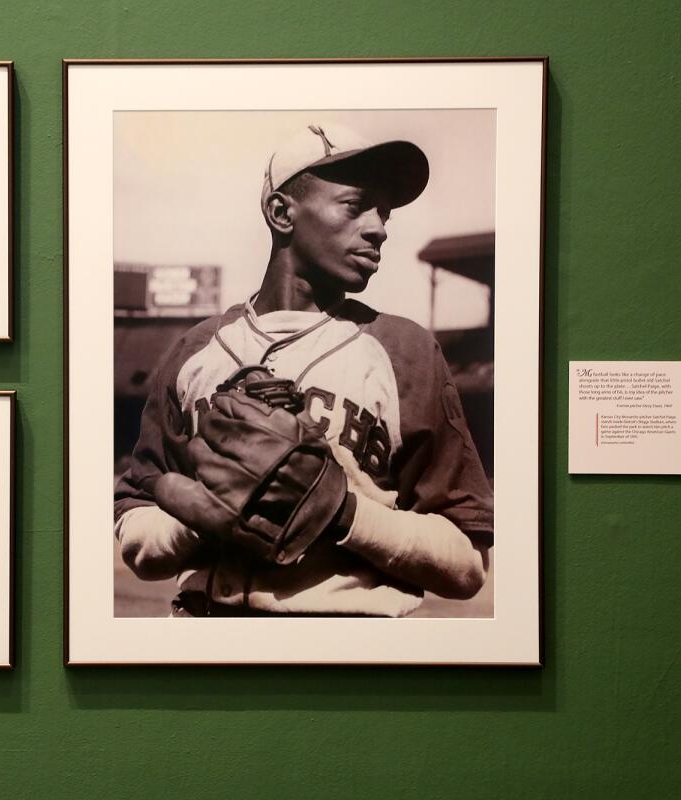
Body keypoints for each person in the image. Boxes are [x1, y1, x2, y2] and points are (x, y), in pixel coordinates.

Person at [114, 122, 493, 618]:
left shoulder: (406, 351)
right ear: (281, 213)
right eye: (356, 206)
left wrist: (344, 512)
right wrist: (207, 512)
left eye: (384, 214)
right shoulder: (194, 350)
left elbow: (467, 564)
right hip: (204, 640)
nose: (379, 227)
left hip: (350, 652)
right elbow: (134, 523)